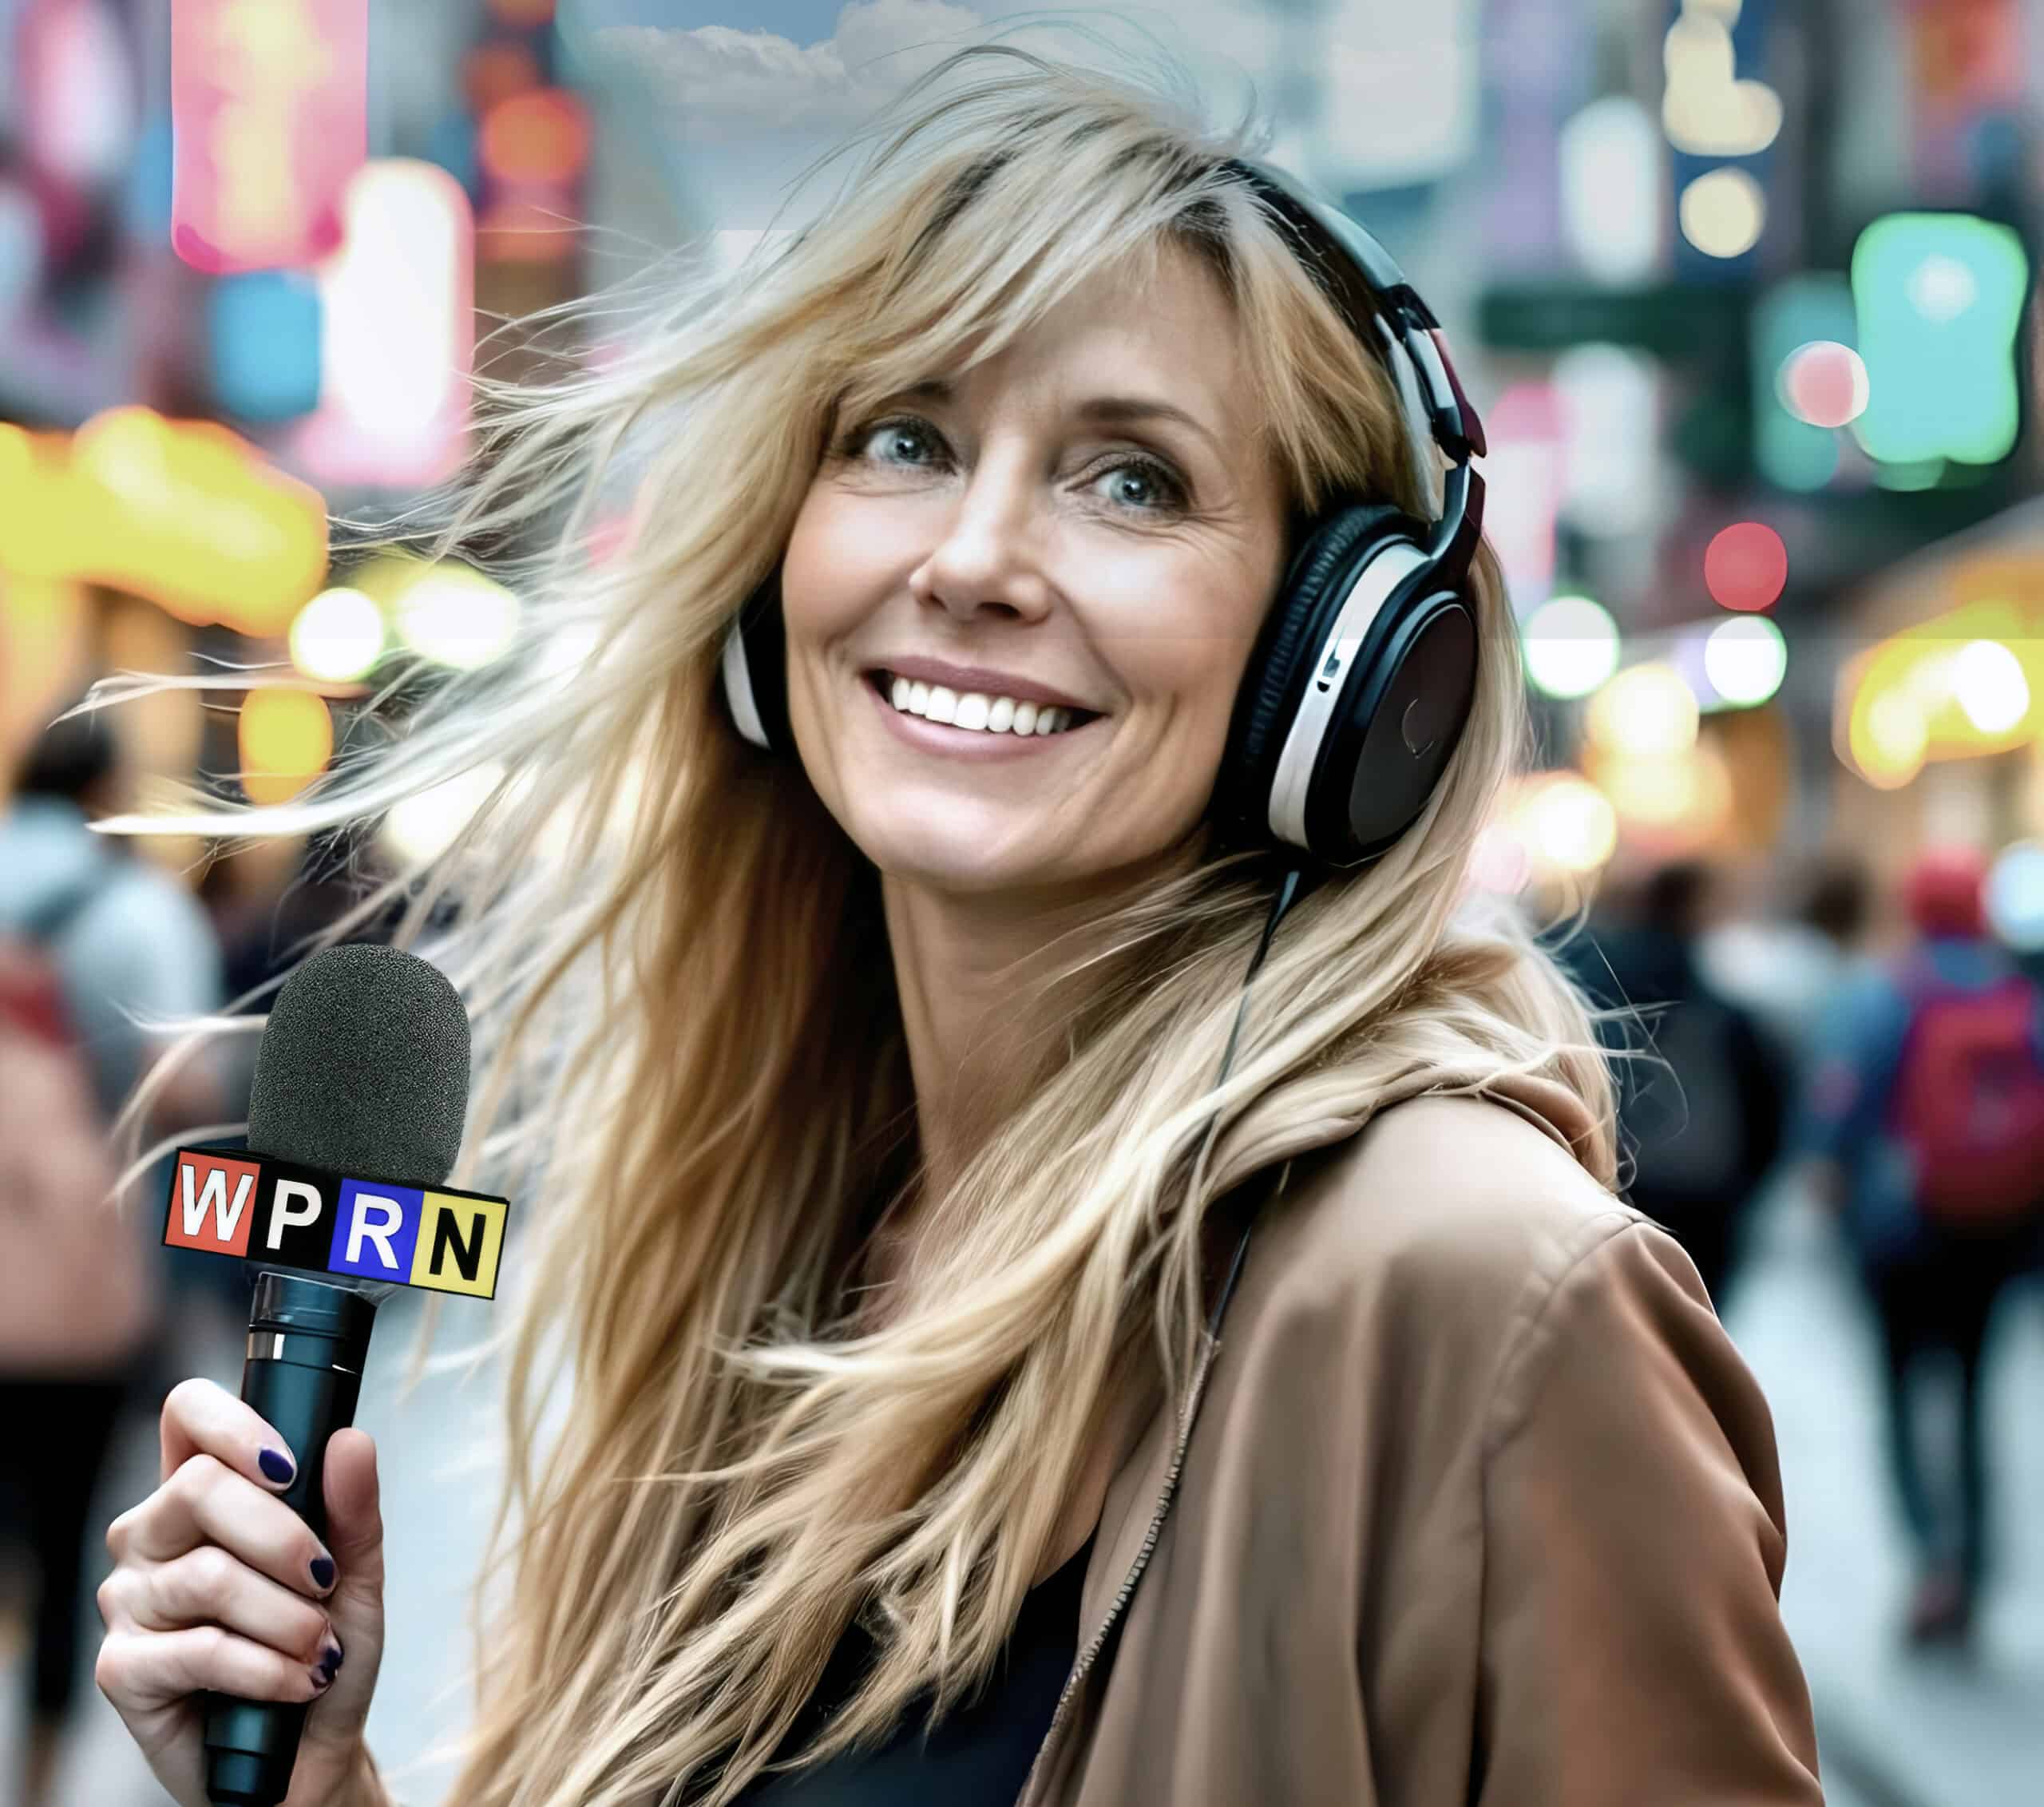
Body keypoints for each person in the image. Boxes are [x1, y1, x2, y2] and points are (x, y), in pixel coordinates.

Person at [90, 39, 1824, 1807]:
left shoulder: (1484, 1304)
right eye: (905, 441)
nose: (975, 556)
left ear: (1340, 662)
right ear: (775, 580)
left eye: (1129, 478)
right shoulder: (760, 1235)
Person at [0, 702, 228, 1807]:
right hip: (71, 1285)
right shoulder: (132, 907)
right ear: (109, 789)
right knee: (64, 1537)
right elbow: (186, 1082)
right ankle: (33, 1779)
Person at [1799, 844, 2044, 1647]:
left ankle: (1929, 1559)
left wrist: (1828, 1185)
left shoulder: (1886, 993)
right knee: (1973, 1392)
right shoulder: (2020, 994)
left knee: (1903, 1391)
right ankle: (1972, 1562)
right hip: (1994, 1228)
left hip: (1900, 1232)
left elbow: (1837, 1109)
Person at [1552, 859, 1792, 1312]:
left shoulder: (1590, 988)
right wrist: (1743, 1193)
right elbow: (1766, 1111)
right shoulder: (1718, 1008)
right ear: (1695, 909)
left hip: (1615, 1186)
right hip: (1704, 1199)